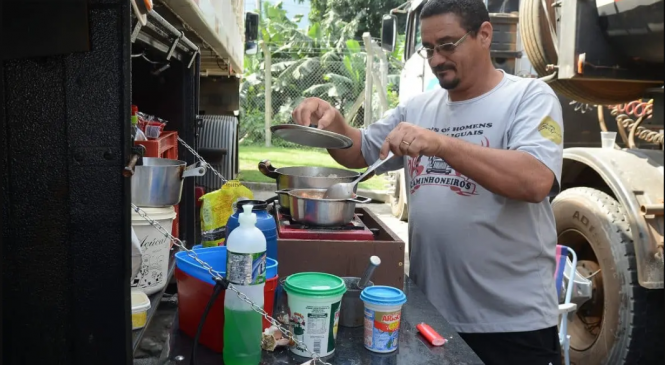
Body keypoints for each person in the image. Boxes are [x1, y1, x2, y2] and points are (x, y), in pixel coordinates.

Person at [291, 0, 564, 363]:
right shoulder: (418, 108)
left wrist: (441, 144)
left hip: (512, 324)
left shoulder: (527, 98)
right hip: (431, 314)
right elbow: (361, 151)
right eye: (429, 48)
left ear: (484, 34)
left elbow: (535, 180)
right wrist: (334, 123)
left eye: (448, 45)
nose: (436, 59)